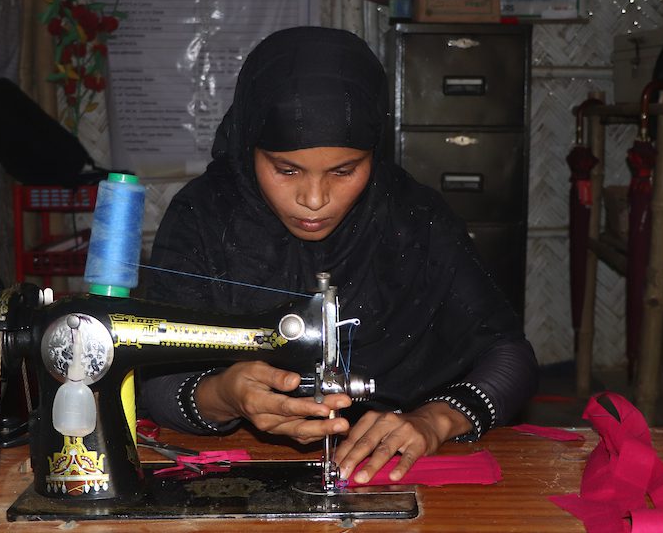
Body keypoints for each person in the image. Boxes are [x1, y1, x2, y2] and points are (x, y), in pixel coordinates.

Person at [137, 26, 537, 485]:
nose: (313, 198)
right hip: (239, 462)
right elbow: (157, 381)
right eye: (286, 169)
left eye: (344, 171)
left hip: (401, 467)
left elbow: (510, 356)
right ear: (250, 144)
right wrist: (223, 395)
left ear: (374, 152)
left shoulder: (414, 217)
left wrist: (435, 420)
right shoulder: (203, 217)